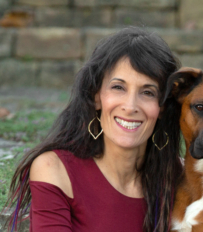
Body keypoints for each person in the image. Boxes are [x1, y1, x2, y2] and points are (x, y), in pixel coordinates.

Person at [4, 27, 183, 232]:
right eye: (118, 87)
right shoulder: (55, 170)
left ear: (162, 107)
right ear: (96, 96)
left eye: (148, 92)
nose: (131, 106)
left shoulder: (182, 178)